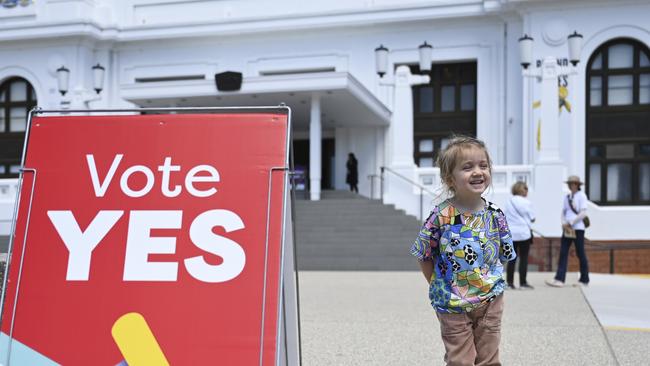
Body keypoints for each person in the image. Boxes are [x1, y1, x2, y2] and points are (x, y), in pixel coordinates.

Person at [410, 136, 516, 366]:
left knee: (489, 357)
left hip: (490, 299)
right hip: (451, 301)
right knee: (461, 360)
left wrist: (489, 280)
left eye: (483, 165)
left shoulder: (495, 215)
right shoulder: (441, 215)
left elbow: (504, 254)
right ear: (450, 179)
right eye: (467, 167)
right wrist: (438, 283)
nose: (478, 172)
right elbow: (422, 253)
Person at [546, 175, 590, 287]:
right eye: (569, 184)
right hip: (567, 229)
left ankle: (584, 279)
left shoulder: (582, 196)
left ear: (577, 184)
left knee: (580, 253)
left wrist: (571, 223)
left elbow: (583, 212)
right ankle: (559, 279)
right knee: (563, 252)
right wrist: (563, 223)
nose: (570, 186)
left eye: (572, 183)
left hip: (578, 228)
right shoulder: (567, 197)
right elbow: (564, 211)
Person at [504, 181, 536, 290]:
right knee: (524, 258)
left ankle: (509, 283)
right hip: (524, 234)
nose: (527, 191)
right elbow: (532, 218)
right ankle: (523, 283)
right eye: (526, 189)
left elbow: (505, 217)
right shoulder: (526, 202)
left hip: (512, 234)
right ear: (523, 190)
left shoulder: (509, 202)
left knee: (512, 259)